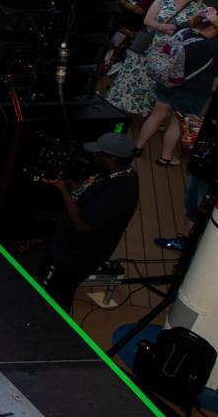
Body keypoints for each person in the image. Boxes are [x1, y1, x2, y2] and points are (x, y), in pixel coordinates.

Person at [37, 132, 140, 313]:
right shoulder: (116, 173)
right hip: (68, 246)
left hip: (75, 254)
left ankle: (50, 321)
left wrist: (63, 190)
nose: (94, 156)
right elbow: (89, 189)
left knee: (55, 294)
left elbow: (82, 225)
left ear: (112, 159)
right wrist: (65, 182)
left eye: (99, 154)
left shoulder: (118, 193)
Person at [135, 8, 218, 165]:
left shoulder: (184, 31)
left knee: (156, 115)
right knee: (177, 123)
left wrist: (207, 15)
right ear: (214, 27)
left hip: (167, 82)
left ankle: (138, 147)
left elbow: (187, 23)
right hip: (191, 91)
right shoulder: (213, 47)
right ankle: (165, 157)